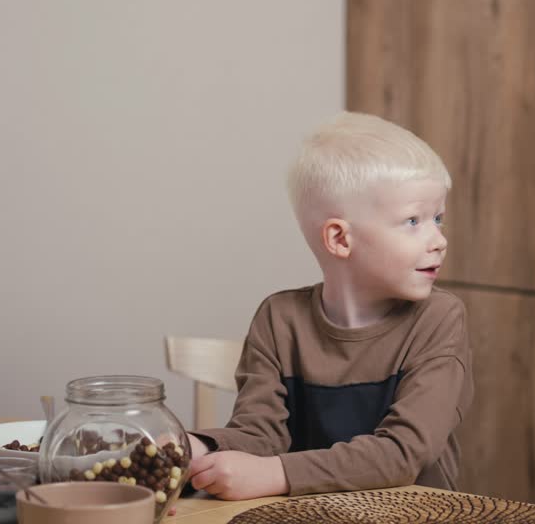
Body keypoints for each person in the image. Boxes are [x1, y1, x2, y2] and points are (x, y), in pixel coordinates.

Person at [185, 111, 473, 500]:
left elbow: (402, 454)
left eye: (438, 218)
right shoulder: (279, 319)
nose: (439, 239)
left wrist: (276, 474)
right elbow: (259, 434)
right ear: (339, 238)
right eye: (413, 221)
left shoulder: (439, 319)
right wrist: (193, 449)